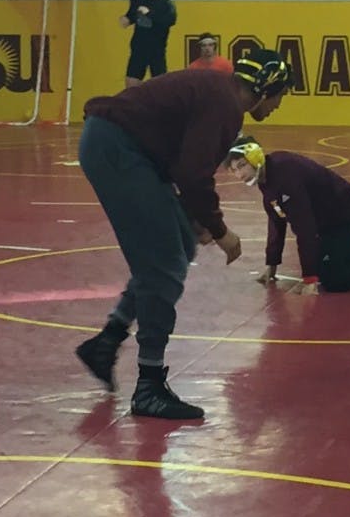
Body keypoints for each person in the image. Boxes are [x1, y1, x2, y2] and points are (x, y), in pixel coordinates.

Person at [74, 49, 293, 420]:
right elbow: (193, 175)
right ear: (265, 90)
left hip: (127, 148)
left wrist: (197, 220)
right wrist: (220, 230)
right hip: (118, 149)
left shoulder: (220, 93)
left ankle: (107, 342)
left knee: (180, 242)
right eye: (280, 95)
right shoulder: (225, 105)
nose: (278, 105)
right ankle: (149, 386)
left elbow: (184, 165)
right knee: (165, 264)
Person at [224, 136, 350, 295]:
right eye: (235, 170)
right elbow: (276, 219)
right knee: (323, 266)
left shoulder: (284, 176)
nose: (240, 175)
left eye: (242, 166)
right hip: (332, 222)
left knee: (333, 280)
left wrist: (309, 280)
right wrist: (272, 265)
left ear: (255, 157)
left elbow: (305, 228)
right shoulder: (268, 176)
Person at [120, 0, 178, 88]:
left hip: (156, 49)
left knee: (160, 84)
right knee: (131, 82)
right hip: (138, 47)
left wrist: (150, 13)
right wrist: (127, 19)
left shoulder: (165, 4)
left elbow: (169, 21)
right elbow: (132, 14)